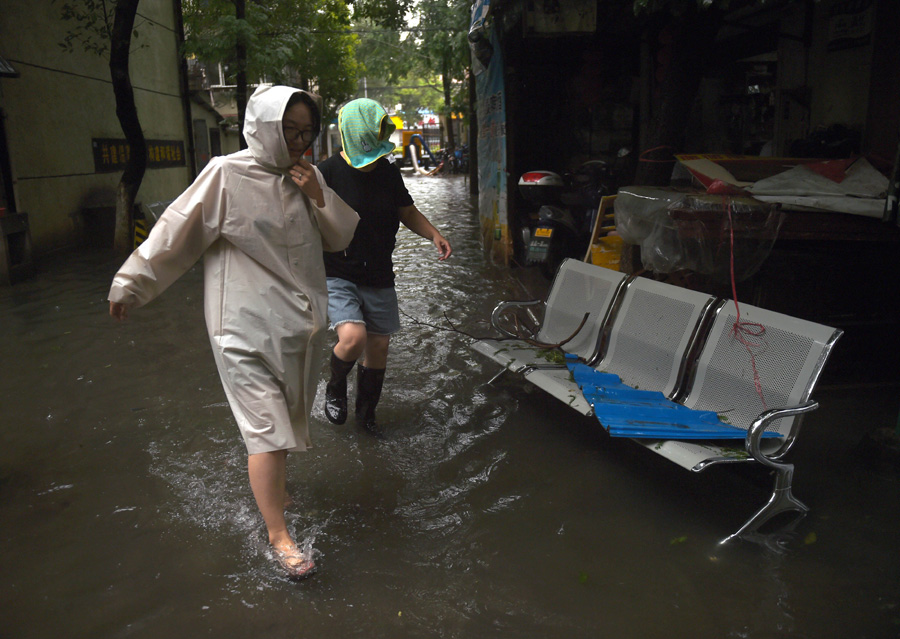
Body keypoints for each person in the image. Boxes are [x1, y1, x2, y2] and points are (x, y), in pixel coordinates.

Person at [108, 85, 359, 579]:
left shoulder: (304, 178)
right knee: (266, 430)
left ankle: (275, 490)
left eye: (307, 132)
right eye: (290, 130)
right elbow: (174, 233)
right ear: (266, 125)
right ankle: (279, 536)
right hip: (242, 328)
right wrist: (130, 283)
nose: (299, 141)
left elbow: (342, 235)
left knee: (284, 420)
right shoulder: (226, 174)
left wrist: (317, 193)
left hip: (299, 328)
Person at [316, 98, 452, 437]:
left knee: (378, 347)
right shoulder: (327, 172)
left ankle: (366, 416)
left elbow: (407, 212)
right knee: (353, 337)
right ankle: (335, 386)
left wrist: (433, 233)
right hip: (338, 271)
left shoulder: (389, 173)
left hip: (378, 272)